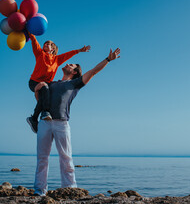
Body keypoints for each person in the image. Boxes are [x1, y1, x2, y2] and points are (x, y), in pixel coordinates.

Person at [33, 48, 121, 196]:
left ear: (74, 72)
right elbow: (40, 103)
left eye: (72, 65)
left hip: (62, 123)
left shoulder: (75, 84)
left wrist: (108, 59)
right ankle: (39, 191)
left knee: (66, 157)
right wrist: (36, 90)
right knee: (42, 158)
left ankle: (70, 189)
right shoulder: (51, 84)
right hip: (45, 122)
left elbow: (93, 71)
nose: (68, 64)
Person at [26, 33, 91, 133]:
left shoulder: (57, 60)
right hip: (34, 82)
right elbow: (34, 41)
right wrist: (29, 29)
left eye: (49, 44)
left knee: (45, 93)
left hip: (46, 85)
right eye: (45, 43)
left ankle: (34, 119)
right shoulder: (40, 53)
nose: (46, 44)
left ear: (53, 49)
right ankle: (45, 112)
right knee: (44, 88)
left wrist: (79, 51)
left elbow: (67, 55)